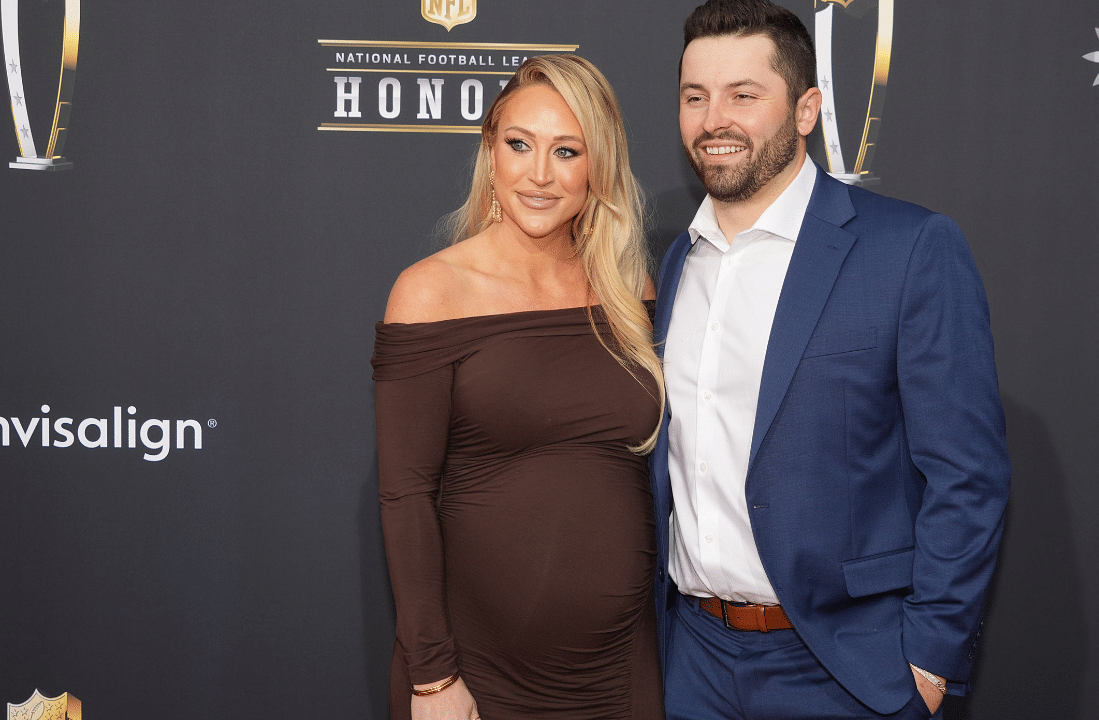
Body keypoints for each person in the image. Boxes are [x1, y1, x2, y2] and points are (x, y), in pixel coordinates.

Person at [650, 2, 1011, 719]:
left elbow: (968, 474)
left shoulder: (907, 249)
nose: (714, 119)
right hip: (694, 660)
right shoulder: (677, 263)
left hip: (847, 669)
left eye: (744, 95)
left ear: (806, 109)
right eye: (696, 97)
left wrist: (929, 658)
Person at [371, 54, 665, 720]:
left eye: (567, 151)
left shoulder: (629, 293)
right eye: (519, 144)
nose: (538, 175)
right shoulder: (431, 292)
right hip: (475, 677)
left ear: (599, 165)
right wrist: (432, 678)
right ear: (490, 151)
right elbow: (404, 496)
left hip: (620, 672)